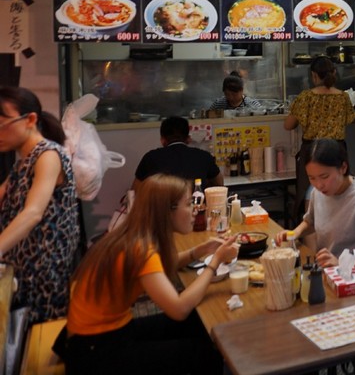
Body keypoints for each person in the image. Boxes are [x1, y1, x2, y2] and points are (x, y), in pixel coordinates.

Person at [64, 174, 238, 375]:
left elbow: (161, 267)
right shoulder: (141, 249)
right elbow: (178, 309)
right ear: (167, 211)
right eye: (190, 203)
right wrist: (215, 262)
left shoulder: (136, 236)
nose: (196, 210)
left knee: (196, 321)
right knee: (203, 352)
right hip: (95, 351)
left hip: (99, 335)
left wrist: (198, 251)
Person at [0, 87, 79, 324]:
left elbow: (33, 213)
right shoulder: (23, 161)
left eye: (1, 124)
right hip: (23, 266)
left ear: (30, 119)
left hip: (43, 269)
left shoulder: (48, 155)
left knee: (40, 332)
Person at [275, 139, 355, 290]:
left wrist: (342, 263)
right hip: (329, 275)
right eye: (312, 178)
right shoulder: (317, 193)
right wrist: (294, 233)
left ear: (343, 167)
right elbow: (310, 221)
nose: (319, 185)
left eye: (324, 177)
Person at [285, 56, 355, 215]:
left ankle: (310, 232)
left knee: (311, 191)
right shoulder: (343, 97)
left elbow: (288, 125)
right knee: (338, 190)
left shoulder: (306, 97)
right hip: (337, 150)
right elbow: (349, 119)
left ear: (314, 76)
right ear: (334, 73)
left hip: (313, 151)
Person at [134, 116, 222, 191]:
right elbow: (220, 184)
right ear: (188, 139)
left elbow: (135, 190)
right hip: (196, 208)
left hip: (161, 209)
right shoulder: (204, 156)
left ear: (162, 140)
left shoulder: (150, 158)